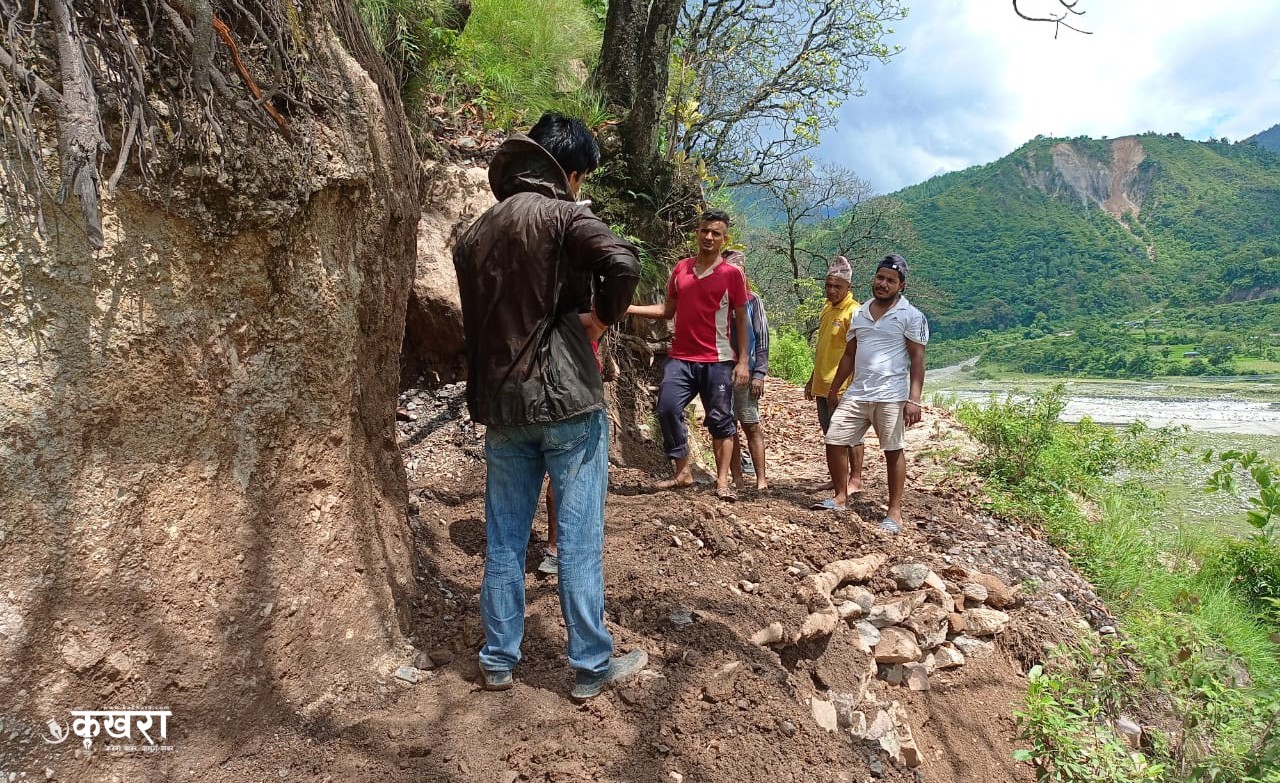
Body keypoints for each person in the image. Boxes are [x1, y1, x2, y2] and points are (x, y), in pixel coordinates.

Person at [452, 112, 647, 701]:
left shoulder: (474, 232)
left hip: (501, 408)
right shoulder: (566, 214)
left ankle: (498, 659)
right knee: (580, 539)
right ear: (571, 172)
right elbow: (623, 265)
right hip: (566, 399)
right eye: (583, 176)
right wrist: (598, 319)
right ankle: (590, 665)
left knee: (505, 538)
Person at [627, 210, 751, 501]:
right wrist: (629, 308)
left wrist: (743, 361)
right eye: (705, 231)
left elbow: (742, 319)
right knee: (667, 408)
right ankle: (682, 472)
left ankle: (722, 482)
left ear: (724, 238)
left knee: (721, 420)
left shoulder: (732, 275)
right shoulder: (681, 268)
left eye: (716, 233)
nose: (709, 237)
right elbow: (667, 311)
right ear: (696, 233)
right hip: (681, 357)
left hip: (718, 359)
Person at [814, 254, 928, 534]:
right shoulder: (861, 313)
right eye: (880, 278)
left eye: (891, 280)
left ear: (901, 285)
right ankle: (840, 497)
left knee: (892, 450)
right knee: (835, 439)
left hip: (891, 395)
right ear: (873, 279)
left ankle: (894, 512)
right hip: (858, 391)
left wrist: (914, 400)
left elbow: (917, 358)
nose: (883, 284)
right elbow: (850, 354)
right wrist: (835, 387)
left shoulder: (910, 316)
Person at [805, 256, 864, 495]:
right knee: (831, 435)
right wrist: (812, 379)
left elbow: (857, 352)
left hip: (842, 385)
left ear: (848, 287)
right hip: (822, 383)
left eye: (837, 286)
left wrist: (848, 386)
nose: (831, 290)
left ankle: (855, 479)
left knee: (850, 434)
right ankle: (837, 478)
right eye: (828, 285)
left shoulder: (855, 312)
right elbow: (822, 346)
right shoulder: (827, 309)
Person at [723, 251, 770, 493]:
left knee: (750, 424)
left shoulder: (753, 301)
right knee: (728, 426)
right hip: (721, 371)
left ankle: (761, 479)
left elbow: (762, 338)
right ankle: (737, 478)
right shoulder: (718, 301)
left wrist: (759, 373)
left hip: (747, 370)